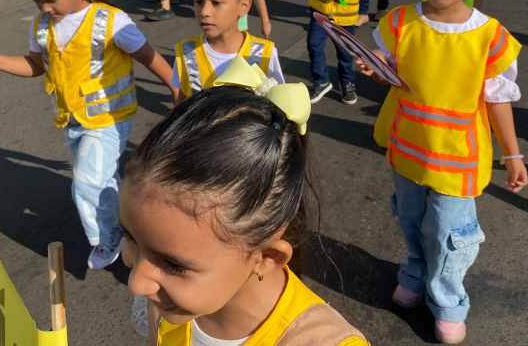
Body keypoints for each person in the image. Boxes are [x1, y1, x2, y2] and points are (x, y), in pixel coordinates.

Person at [359, 0, 527, 345]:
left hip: (459, 158)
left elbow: (498, 100)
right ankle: (415, 271)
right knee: (412, 220)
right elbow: (390, 72)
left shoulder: (490, 36)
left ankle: (448, 300)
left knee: (451, 235)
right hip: (408, 149)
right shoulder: (400, 21)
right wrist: (375, 66)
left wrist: (513, 155)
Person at [119, 64, 369, 346]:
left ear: (267, 258)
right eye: (130, 236)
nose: (136, 284)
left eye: (173, 265)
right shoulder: (168, 300)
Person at [0, 0, 175, 269]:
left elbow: (147, 54)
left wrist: (175, 87)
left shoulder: (110, 21)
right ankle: (133, 221)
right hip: (72, 120)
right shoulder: (42, 27)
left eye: (51, 0)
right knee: (102, 178)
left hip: (110, 118)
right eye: (37, 2)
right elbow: (35, 66)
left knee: (88, 181)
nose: (45, 9)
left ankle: (109, 237)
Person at [172, 0, 281, 102]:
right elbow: (181, 102)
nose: (204, 11)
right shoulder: (186, 53)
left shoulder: (264, 54)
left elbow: (280, 105)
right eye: (199, 1)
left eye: (216, 3)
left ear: (243, 6)